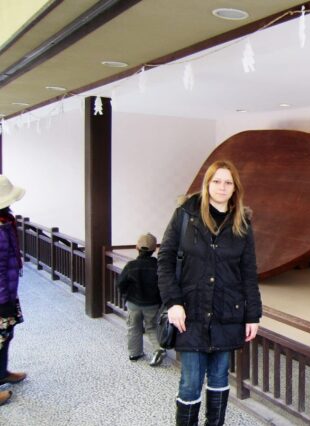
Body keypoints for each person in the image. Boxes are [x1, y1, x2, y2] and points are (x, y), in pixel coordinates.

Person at [157, 160, 261, 426]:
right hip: (190, 311)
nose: (222, 187)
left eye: (228, 182)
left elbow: (248, 272)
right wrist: (173, 302)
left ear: (235, 187)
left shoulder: (242, 222)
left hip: (228, 311)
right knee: (191, 381)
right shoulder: (184, 215)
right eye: (217, 181)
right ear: (207, 184)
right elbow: (165, 260)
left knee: (219, 378)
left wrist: (253, 316)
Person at [118, 232, 165, 366]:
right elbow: (163, 285)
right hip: (152, 303)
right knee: (151, 327)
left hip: (134, 303)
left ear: (137, 248)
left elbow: (121, 283)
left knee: (133, 327)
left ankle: (135, 353)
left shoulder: (131, 265)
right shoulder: (158, 266)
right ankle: (158, 349)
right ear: (154, 249)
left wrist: (125, 296)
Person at [0, 176, 27, 406]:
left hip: (7, 292)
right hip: (0, 296)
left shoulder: (4, 221)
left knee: (6, 335)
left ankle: (2, 372)